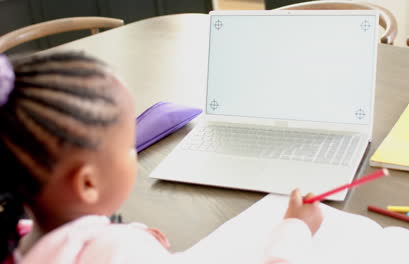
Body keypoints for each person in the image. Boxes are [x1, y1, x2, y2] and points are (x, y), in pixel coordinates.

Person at [0, 52, 323, 264]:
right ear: (88, 183)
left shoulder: (24, 238)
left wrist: (132, 236)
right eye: (128, 144)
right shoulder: (118, 254)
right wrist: (295, 229)